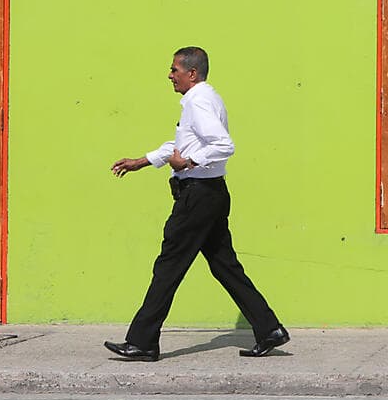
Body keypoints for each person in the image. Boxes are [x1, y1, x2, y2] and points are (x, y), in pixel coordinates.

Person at [104, 47, 290, 362]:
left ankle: (142, 341)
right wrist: (142, 161)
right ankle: (269, 329)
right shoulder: (203, 98)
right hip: (210, 194)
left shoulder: (198, 101)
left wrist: (189, 162)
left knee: (168, 266)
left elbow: (223, 145)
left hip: (197, 196)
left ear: (192, 73)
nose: (170, 75)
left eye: (174, 69)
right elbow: (181, 144)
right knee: (225, 266)